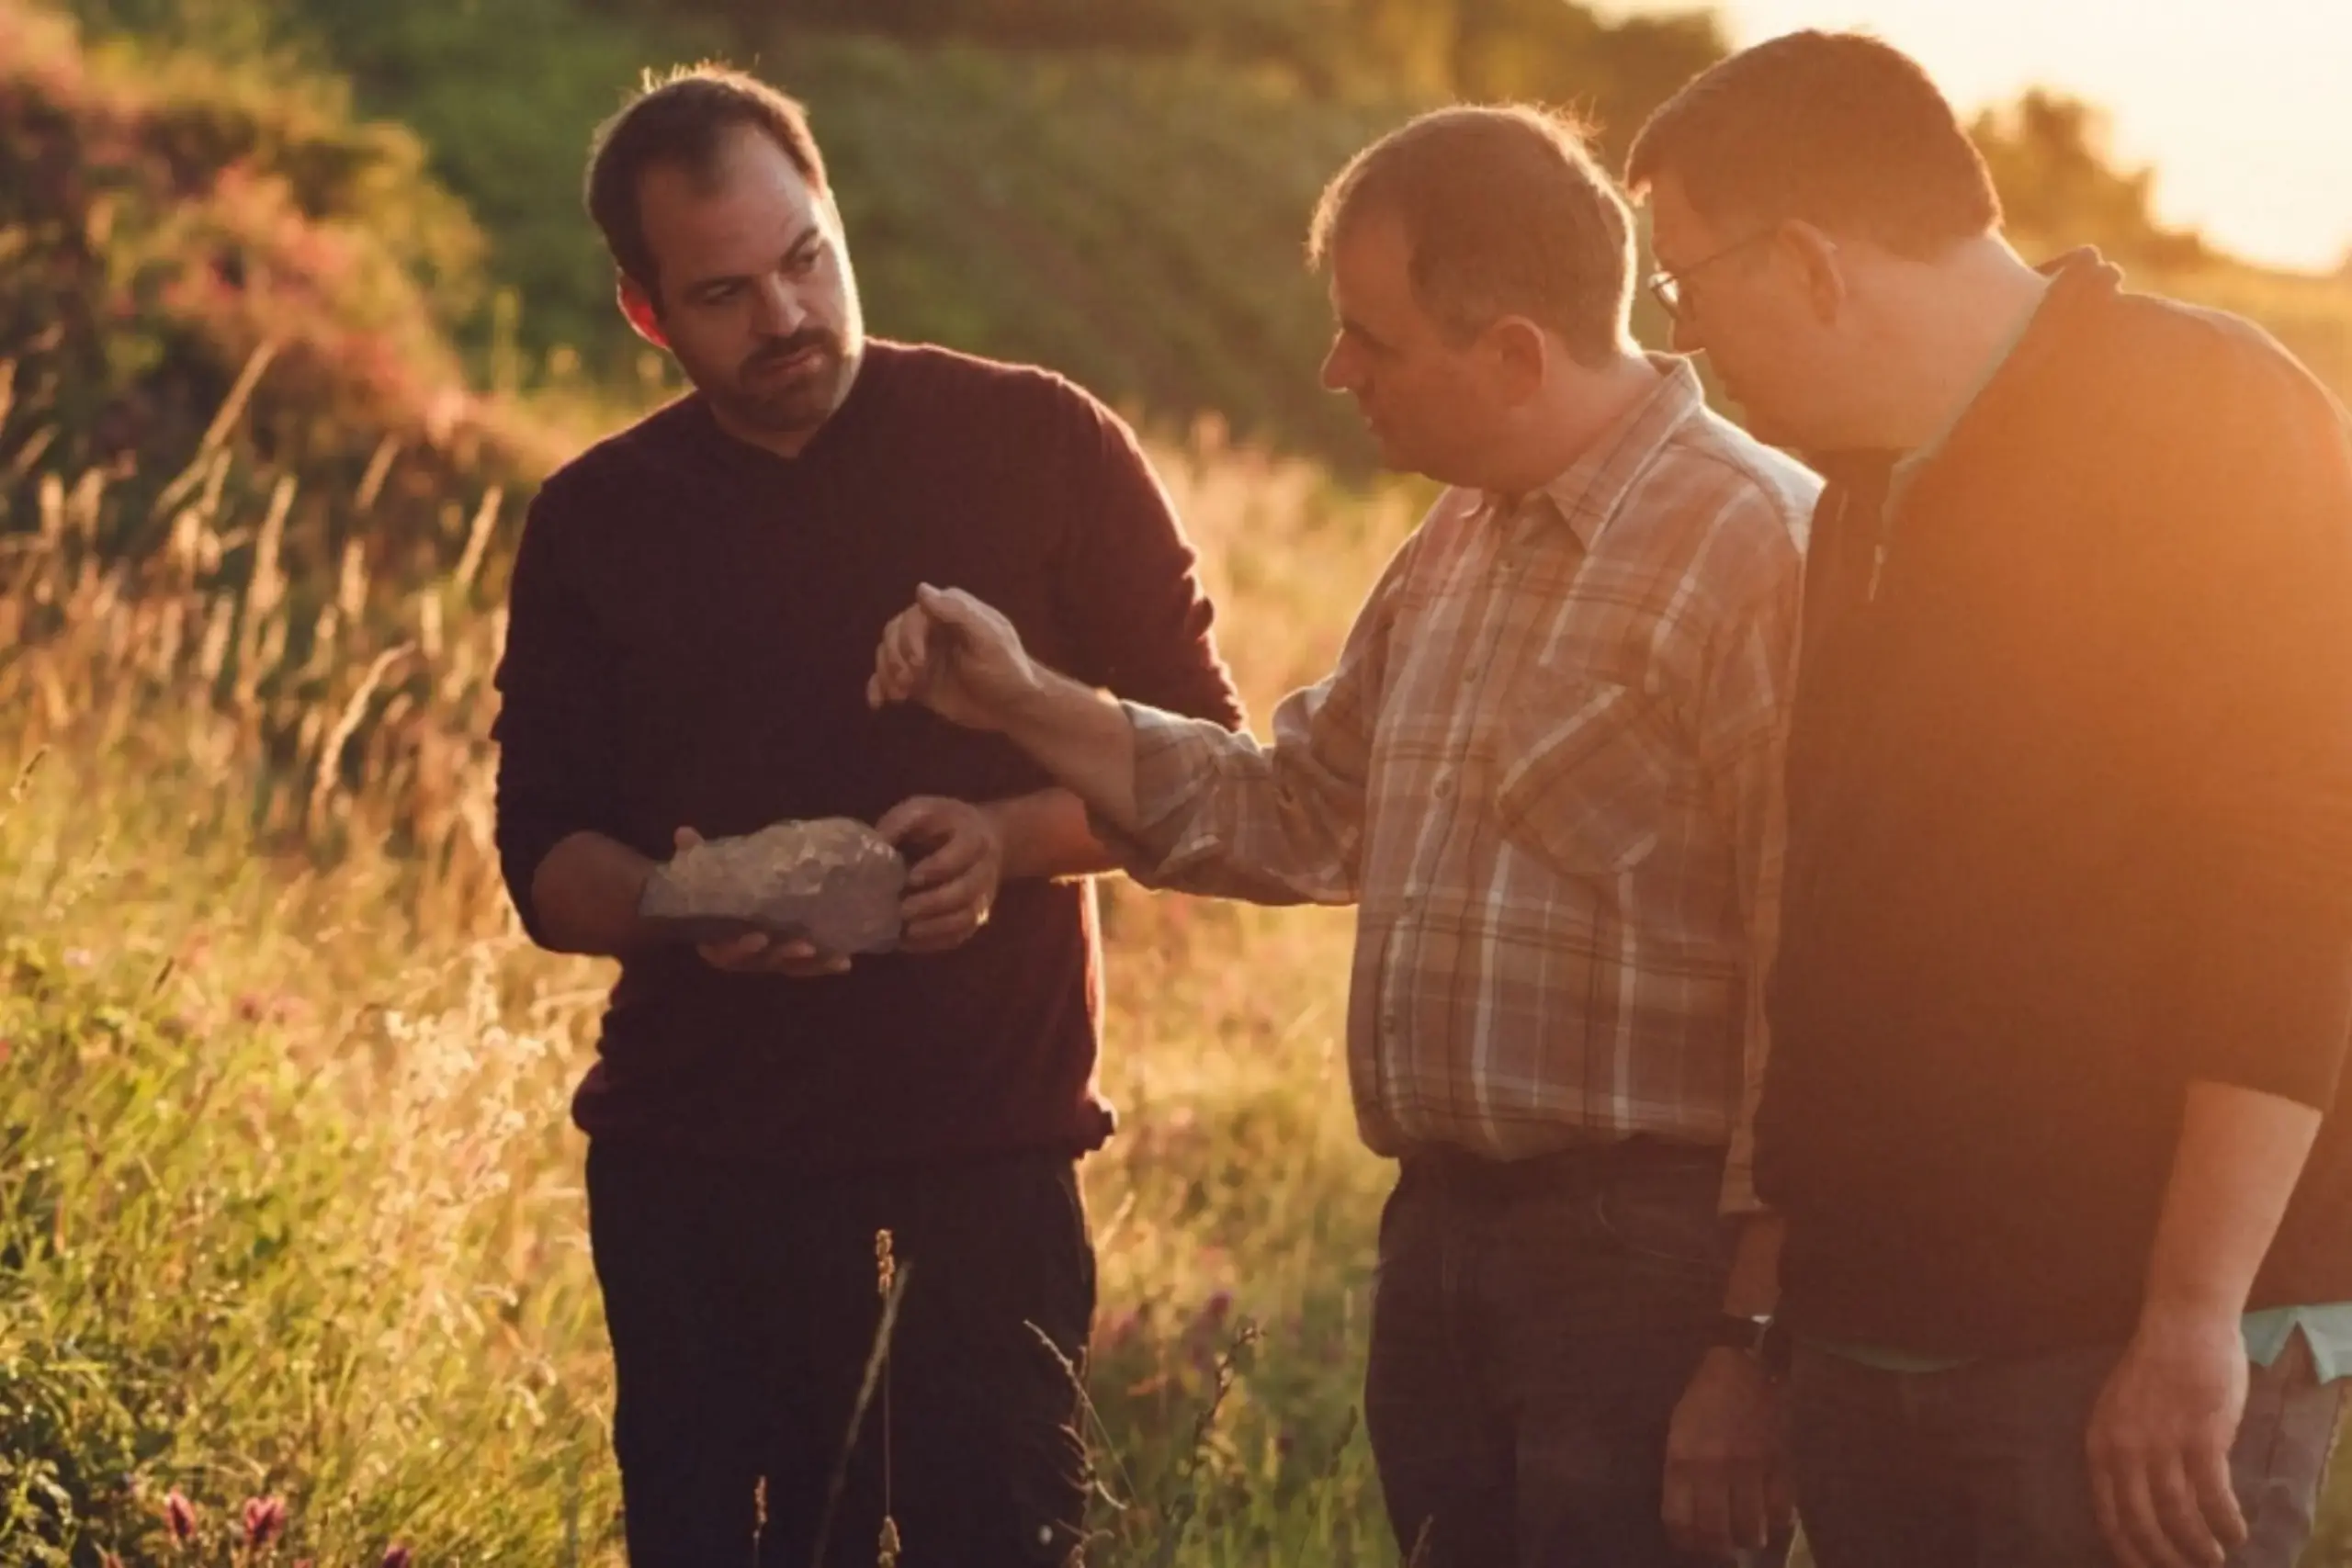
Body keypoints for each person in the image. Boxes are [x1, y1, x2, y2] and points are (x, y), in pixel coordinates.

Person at [867, 105, 1819, 1567]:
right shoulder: (1456, 539)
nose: (1335, 371)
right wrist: (1025, 701)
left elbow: (1810, 988)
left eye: (1370, 338)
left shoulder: (1756, 549)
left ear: (1513, 353)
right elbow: (1300, 807)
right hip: (1442, 1244)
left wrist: (1747, 1341)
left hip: (1645, 1271)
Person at [489, 65, 1244, 1567]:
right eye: (723, 293)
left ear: (835, 215)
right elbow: (543, 858)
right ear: (646, 311)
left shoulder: (1042, 439)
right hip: (697, 1174)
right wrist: (679, 907)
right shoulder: (592, 520)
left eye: (806, 258)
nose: (784, 317)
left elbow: (1208, 761)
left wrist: (1014, 842)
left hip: (986, 1159)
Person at [1623, 30, 2352, 1568]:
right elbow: (1824, 931)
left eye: (1683, 288)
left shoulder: (2213, 412)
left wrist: (2187, 1323)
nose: (1685, 344)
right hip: (1878, 1345)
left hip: (2116, 1363)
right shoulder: (1859, 498)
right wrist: (1765, 1331)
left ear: (1812, 264)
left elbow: (2297, 885)